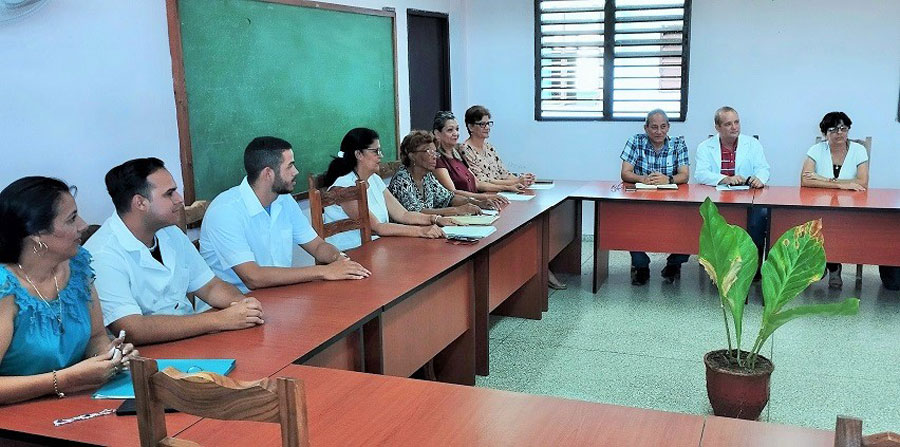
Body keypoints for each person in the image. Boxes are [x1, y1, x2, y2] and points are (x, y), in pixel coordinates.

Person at [84, 158, 264, 345]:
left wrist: (243, 306)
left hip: (191, 340)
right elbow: (132, 330)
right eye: (169, 194)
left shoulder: (170, 233)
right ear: (140, 203)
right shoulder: (102, 254)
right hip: (147, 356)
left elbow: (210, 287)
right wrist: (220, 320)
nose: (179, 199)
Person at [0, 177, 136, 404]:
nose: (83, 225)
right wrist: (65, 380)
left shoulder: (78, 266)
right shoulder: (5, 288)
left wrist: (109, 357)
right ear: (37, 234)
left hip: (73, 403)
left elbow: (96, 337)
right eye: (71, 219)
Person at [200, 137, 371, 293]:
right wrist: (324, 271)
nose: (296, 171)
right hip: (235, 308)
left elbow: (318, 247)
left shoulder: (284, 200)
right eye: (289, 166)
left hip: (280, 296)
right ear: (268, 174)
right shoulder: (224, 211)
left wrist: (339, 259)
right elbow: (253, 277)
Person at [322, 128, 456, 251]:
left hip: (376, 247)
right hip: (351, 253)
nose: (381, 156)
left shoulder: (374, 179)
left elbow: (403, 214)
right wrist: (422, 231)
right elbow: (377, 227)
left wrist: (435, 219)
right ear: (358, 154)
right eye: (375, 151)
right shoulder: (345, 187)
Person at [695, 106, 771, 275]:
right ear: (718, 127)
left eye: (736, 122)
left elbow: (764, 169)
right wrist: (724, 178)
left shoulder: (753, 144)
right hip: (717, 197)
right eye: (728, 124)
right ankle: (717, 265)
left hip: (748, 197)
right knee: (710, 221)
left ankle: (754, 265)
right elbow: (700, 174)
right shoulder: (705, 147)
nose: (734, 127)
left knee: (758, 219)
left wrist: (760, 179)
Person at [620, 109, 691, 286]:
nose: (659, 132)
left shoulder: (678, 144)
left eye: (663, 127)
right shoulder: (635, 141)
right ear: (646, 128)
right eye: (654, 127)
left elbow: (685, 175)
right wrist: (642, 178)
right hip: (641, 199)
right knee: (628, 225)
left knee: (691, 228)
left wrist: (669, 179)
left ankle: (673, 264)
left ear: (668, 127)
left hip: (672, 201)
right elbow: (625, 173)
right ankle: (641, 266)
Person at [800, 111, 869, 289]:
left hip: (851, 206)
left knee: (840, 224)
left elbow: (862, 182)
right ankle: (822, 264)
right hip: (820, 204)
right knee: (821, 223)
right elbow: (805, 180)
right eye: (833, 129)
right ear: (825, 133)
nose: (839, 133)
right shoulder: (816, 149)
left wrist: (821, 180)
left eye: (843, 128)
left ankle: (835, 265)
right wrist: (840, 185)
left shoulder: (858, 150)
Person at [389, 131, 491, 216]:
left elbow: (449, 198)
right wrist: (457, 210)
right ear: (412, 156)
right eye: (429, 151)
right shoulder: (402, 178)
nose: (434, 157)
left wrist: (476, 203)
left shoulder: (427, 176)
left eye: (435, 152)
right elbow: (416, 213)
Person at [431, 111, 514, 207]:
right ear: (437, 134)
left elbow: (477, 183)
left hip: (476, 204)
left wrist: (507, 188)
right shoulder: (438, 159)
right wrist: (484, 198)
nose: (456, 133)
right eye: (450, 130)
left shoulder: (458, 154)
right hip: (462, 208)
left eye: (457, 129)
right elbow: (453, 193)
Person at [460, 105, 534, 188]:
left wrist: (524, 180)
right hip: (488, 193)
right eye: (482, 124)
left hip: (504, 191)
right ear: (471, 127)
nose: (487, 127)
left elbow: (504, 174)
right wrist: (516, 182)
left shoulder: (489, 147)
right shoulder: (466, 149)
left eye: (488, 123)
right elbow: (483, 181)